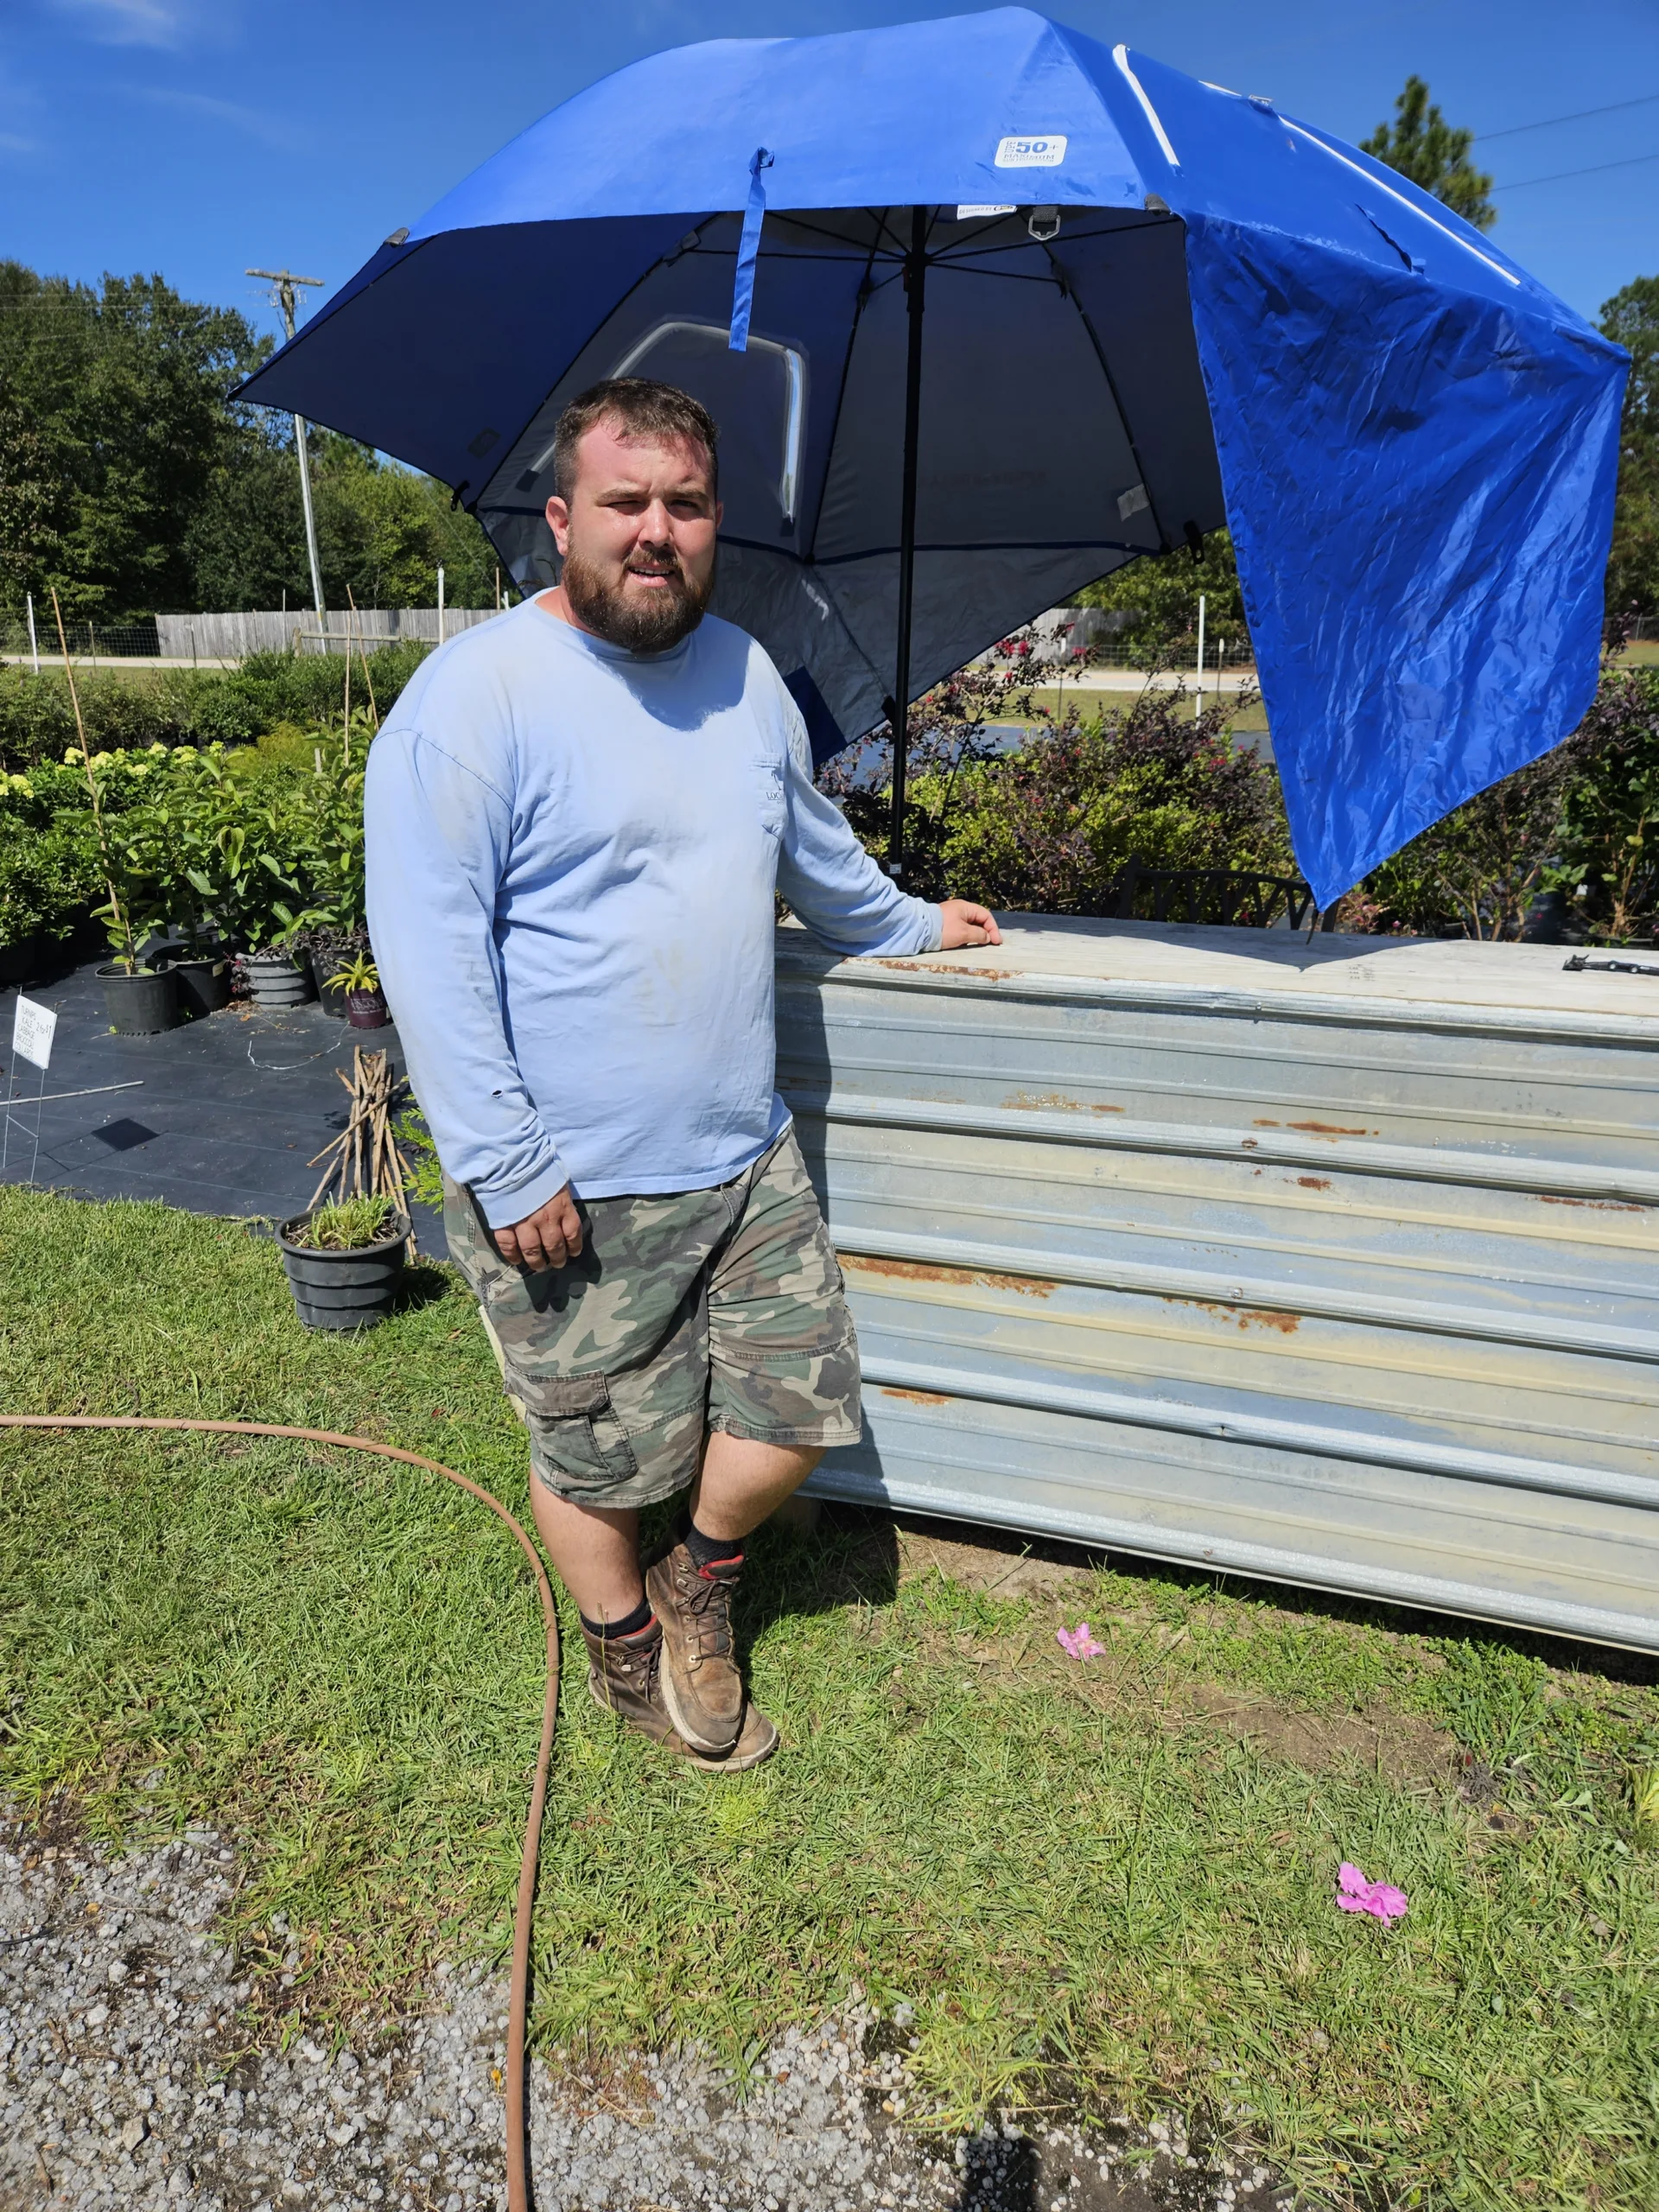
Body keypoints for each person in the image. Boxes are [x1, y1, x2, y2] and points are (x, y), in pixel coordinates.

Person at [365, 377, 1000, 1771]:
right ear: (561, 519)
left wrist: (908, 925)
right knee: (601, 1453)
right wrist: (506, 1160)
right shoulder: (473, 701)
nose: (657, 530)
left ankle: (696, 1584)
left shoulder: (745, 676)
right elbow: (427, 951)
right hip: (568, 1179)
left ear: (716, 522)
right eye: (627, 501)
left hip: (741, 1151)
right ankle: (621, 1645)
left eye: (688, 504)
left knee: (799, 1408)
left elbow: (810, 847)